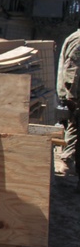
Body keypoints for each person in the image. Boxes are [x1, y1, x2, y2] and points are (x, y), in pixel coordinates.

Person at [56, 26, 80, 191]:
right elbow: (73, 71)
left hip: (73, 96)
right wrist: (72, 97)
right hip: (75, 97)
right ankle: (67, 162)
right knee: (75, 133)